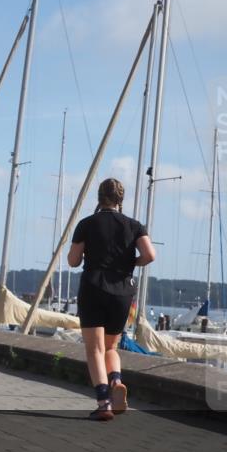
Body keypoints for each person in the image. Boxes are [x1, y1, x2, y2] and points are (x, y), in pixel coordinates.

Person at [68, 178, 156, 421]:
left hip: (94, 287)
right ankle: (116, 379)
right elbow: (150, 255)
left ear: (99, 197)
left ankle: (104, 402)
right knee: (110, 347)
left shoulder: (87, 224)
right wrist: (130, 263)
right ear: (121, 199)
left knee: (94, 349)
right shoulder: (134, 225)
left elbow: (73, 261)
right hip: (122, 291)